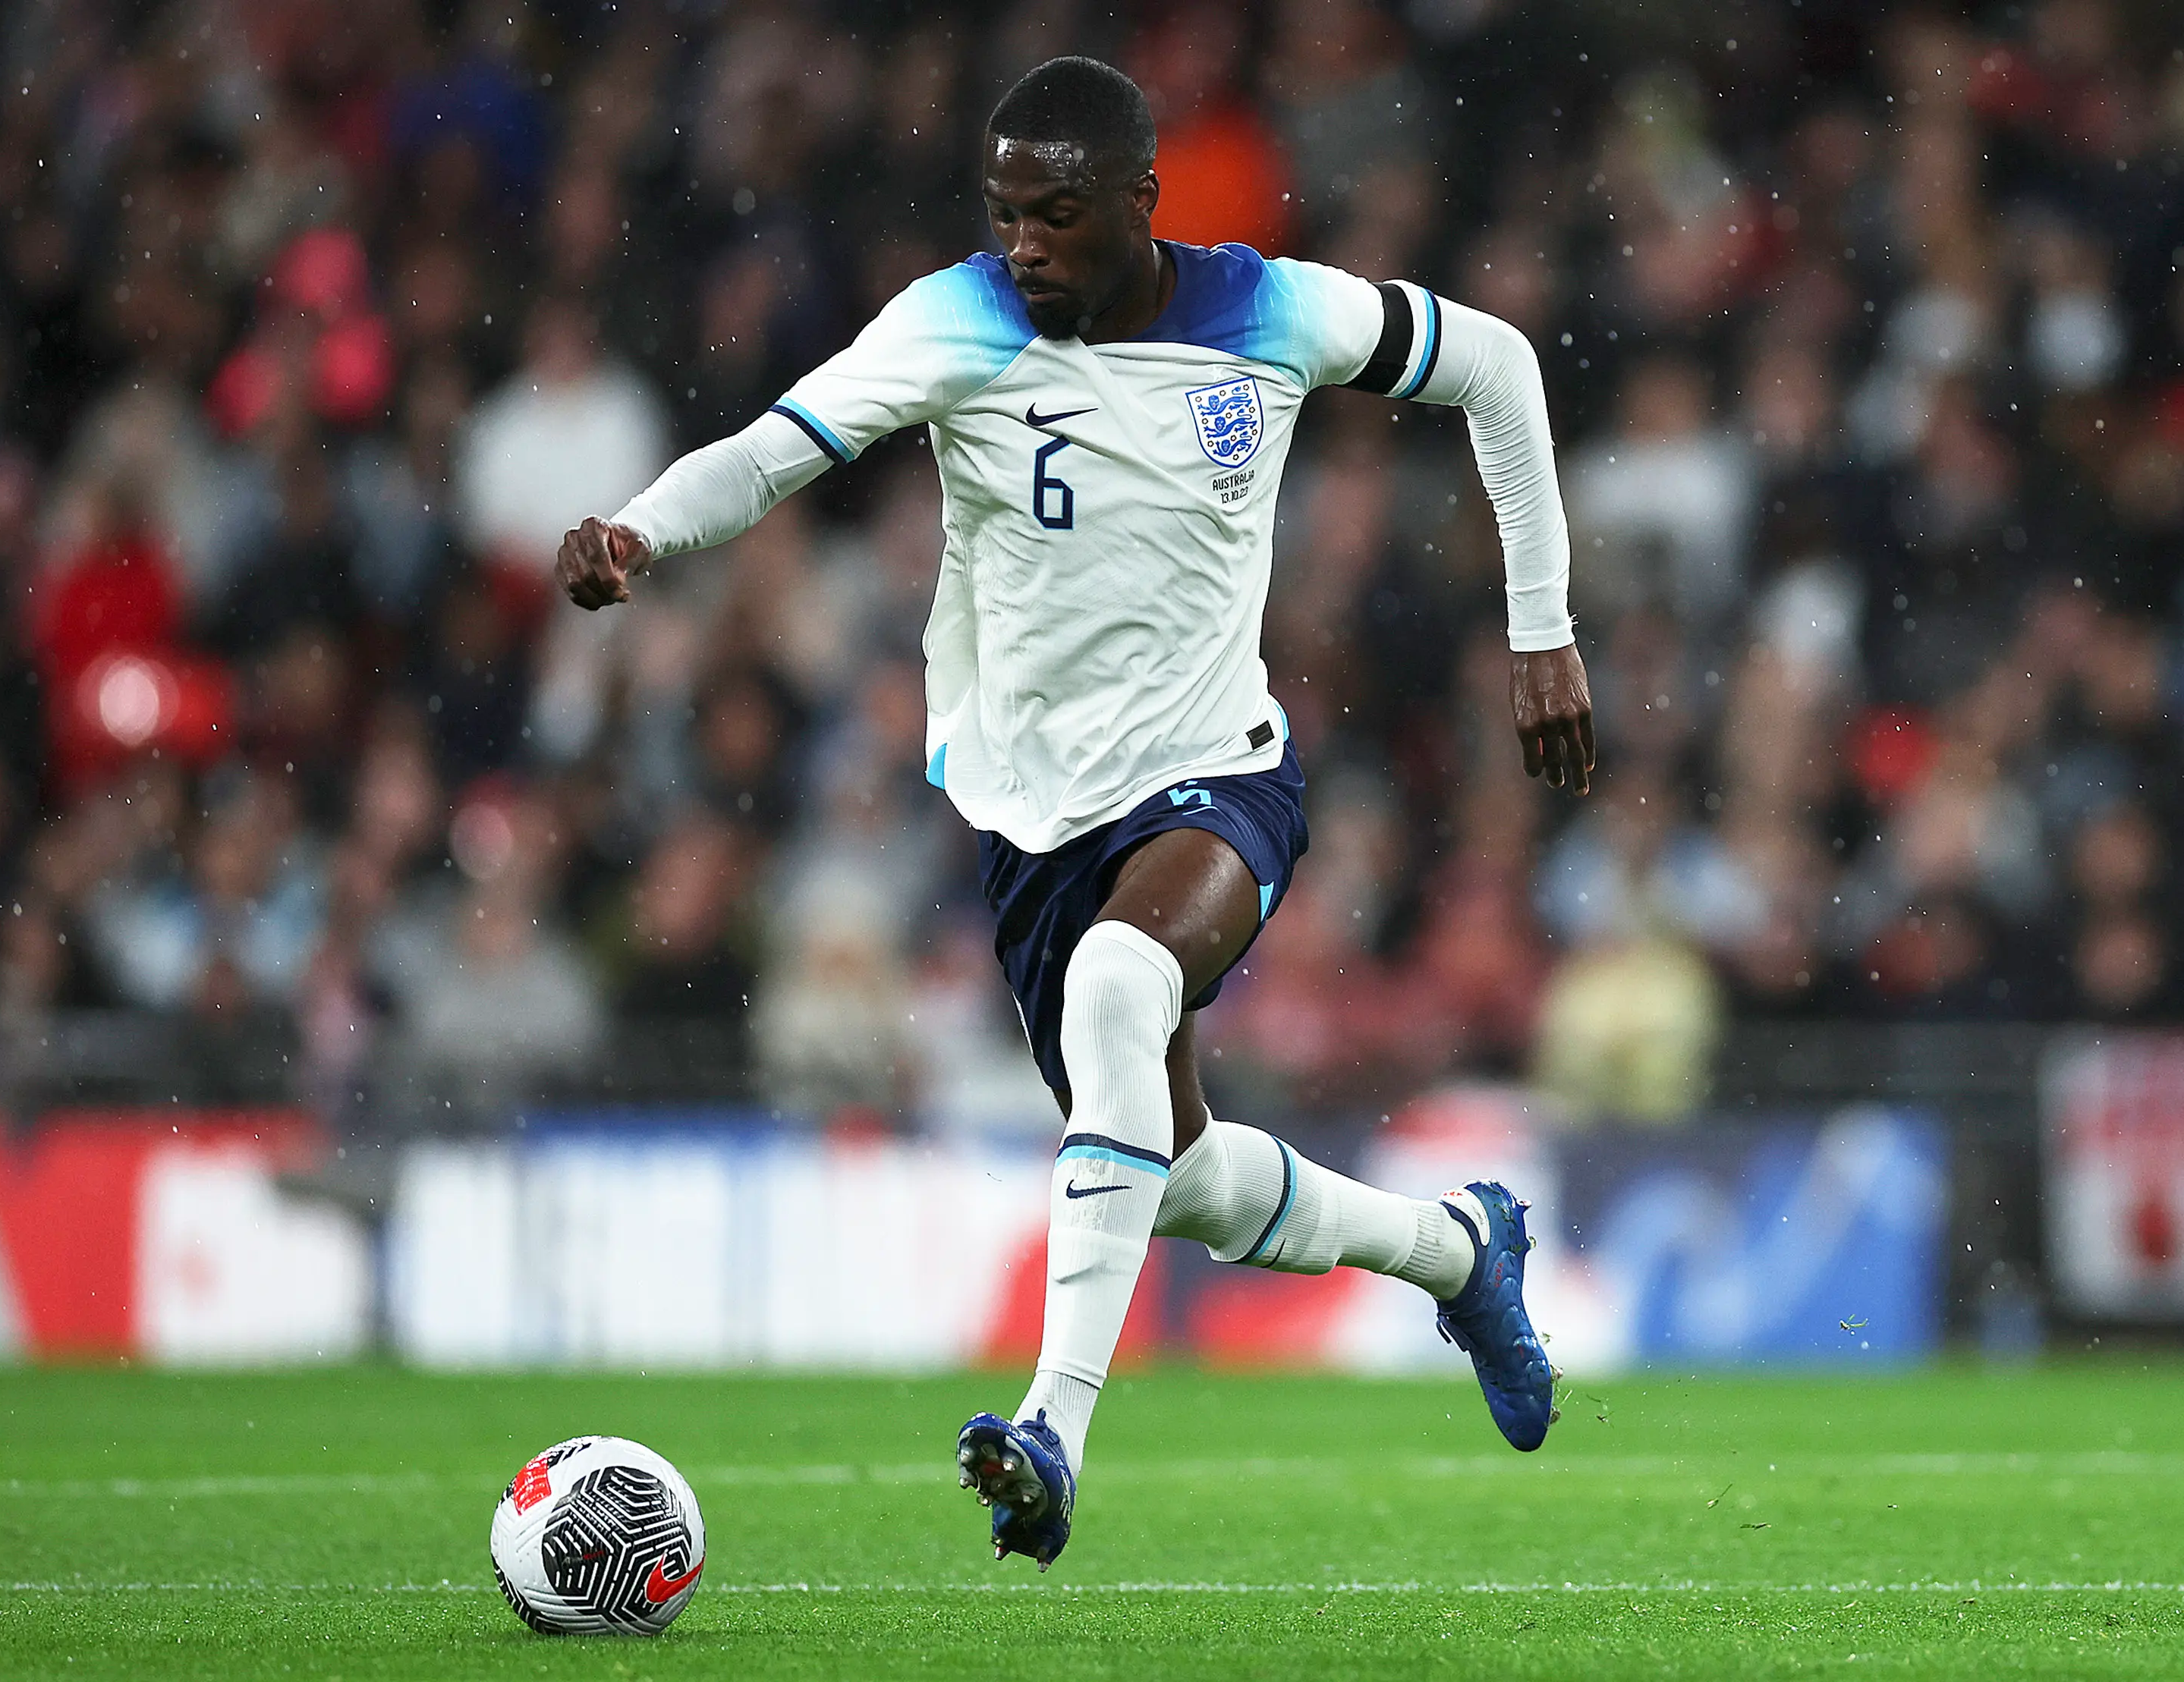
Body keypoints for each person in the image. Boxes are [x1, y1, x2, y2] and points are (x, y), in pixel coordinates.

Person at [556, 56, 1594, 1571]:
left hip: (1216, 772)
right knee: (1177, 1178)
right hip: (1034, 818)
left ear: (1140, 204)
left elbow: (1495, 363)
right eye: (1005, 213)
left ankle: (1051, 1429)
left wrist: (1543, 626)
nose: (1025, 243)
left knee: (1122, 984)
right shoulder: (952, 321)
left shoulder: (1269, 312)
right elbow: (771, 453)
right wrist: (640, 527)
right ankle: (1457, 1249)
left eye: (1056, 214)